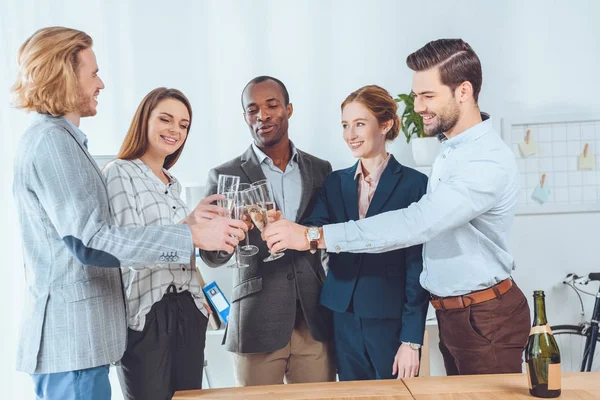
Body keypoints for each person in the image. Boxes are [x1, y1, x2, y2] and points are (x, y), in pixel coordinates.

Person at [264, 39, 531, 376]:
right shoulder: (453, 150)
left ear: (463, 91)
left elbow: (414, 225)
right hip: (457, 314)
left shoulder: (485, 161)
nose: (417, 106)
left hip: (484, 315)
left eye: (428, 95)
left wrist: (313, 236)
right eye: (416, 95)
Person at [11, 27, 246, 400]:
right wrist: (190, 235)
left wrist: (191, 226)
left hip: (89, 343)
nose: (101, 83)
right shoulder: (53, 143)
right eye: (93, 74)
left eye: (183, 124)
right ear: (64, 75)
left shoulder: (64, 142)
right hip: (75, 341)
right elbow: (91, 241)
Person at [201, 76, 335, 386]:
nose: (262, 115)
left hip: (313, 321)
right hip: (256, 322)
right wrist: (230, 234)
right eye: (252, 109)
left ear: (288, 109)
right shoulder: (225, 174)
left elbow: (329, 237)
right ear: (245, 117)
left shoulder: (320, 169)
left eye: (271, 105)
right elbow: (211, 256)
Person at [300, 85, 429, 380]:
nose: (350, 135)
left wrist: (411, 340)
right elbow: (313, 228)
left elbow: (417, 265)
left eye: (360, 124)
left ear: (385, 125)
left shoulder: (414, 184)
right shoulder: (334, 183)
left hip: (390, 319)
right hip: (342, 315)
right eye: (345, 125)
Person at [103, 88, 210, 399]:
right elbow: (128, 249)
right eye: (166, 119)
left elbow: (181, 244)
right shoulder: (120, 172)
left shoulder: (171, 183)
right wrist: (187, 229)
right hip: (148, 313)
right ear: (144, 120)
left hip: (188, 309)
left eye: (183, 125)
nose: (175, 130)